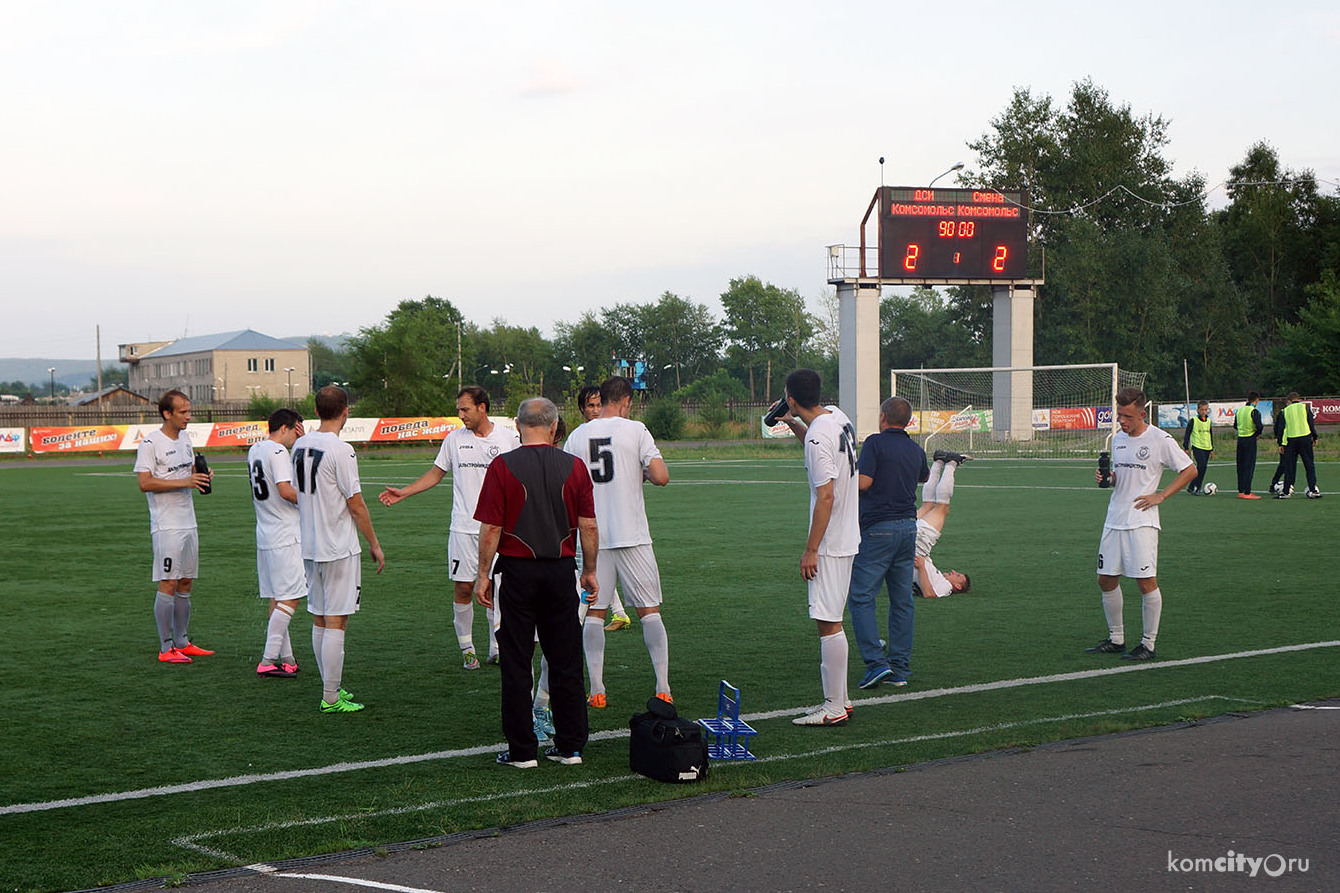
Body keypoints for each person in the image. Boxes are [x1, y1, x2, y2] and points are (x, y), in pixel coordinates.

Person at [475, 397, 597, 768]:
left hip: (516, 572)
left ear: (517, 425)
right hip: (561, 571)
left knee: (516, 661)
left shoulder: (502, 465)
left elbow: (491, 527)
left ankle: (522, 751)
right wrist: (589, 569)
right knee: (566, 660)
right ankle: (570, 745)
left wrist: (483, 574)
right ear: (556, 425)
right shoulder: (574, 466)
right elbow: (588, 526)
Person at [379, 386, 519, 669]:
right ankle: (467, 647)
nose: (460, 415)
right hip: (463, 528)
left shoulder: (509, 439)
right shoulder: (454, 439)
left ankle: (496, 646)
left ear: (482, 407)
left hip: (499, 530)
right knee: (464, 588)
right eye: (458, 410)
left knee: (497, 590)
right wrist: (403, 492)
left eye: (465, 409)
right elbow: (435, 474)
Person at [564, 376, 673, 708]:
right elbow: (661, 476)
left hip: (592, 537)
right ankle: (662, 687)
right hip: (632, 535)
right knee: (648, 611)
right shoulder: (636, 429)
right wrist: (638, 472)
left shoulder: (577, 435)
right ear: (625, 400)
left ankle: (596, 688)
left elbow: (566, 484)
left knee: (594, 613)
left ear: (603, 400)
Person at [1085, 387, 1197, 661]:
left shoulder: (1160, 439)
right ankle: (1117, 639)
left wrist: (1160, 495)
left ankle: (1148, 644)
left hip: (1141, 522)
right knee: (1105, 579)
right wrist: (1108, 478)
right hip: (1114, 518)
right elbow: (1121, 478)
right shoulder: (1118, 440)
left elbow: (1190, 469)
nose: (1123, 422)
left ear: (1142, 413)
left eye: (1128, 417)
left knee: (1145, 582)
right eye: (1120, 416)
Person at [294, 386, 386, 713]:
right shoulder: (342, 449)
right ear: (345, 411)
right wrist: (374, 543)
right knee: (336, 620)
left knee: (320, 617)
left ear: (317, 410)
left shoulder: (300, 443)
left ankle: (329, 688)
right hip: (337, 545)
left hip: (309, 542)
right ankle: (331, 696)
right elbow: (356, 503)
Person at [777, 369, 859, 726]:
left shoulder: (817, 439)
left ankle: (833, 707)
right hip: (847, 535)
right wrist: (793, 423)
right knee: (831, 619)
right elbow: (820, 442)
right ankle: (841, 699)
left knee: (828, 621)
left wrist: (811, 549)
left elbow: (826, 494)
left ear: (791, 398)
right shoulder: (837, 416)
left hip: (831, 542)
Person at [846, 396, 927, 691]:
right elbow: (923, 477)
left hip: (879, 527)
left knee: (861, 596)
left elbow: (864, 482)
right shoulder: (916, 449)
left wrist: (839, 486)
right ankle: (900, 668)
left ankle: (875, 663)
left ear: (883, 417)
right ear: (907, 422)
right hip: (908, 527)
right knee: (902, 600)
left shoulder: (875, 444)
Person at [135, 389, 214, 664]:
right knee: (168, 581)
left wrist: (200, 474)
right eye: (183, 412)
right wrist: (185, 482)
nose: (188, 417)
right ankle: (165, 646)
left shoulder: (185, 438)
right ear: (167, 413)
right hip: (166, 525)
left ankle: (182, 641)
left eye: (189, 411)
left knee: (186, 581)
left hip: (188, 521)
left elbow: (187, 472)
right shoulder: (150, 443)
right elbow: (144, 483)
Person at [247, 408, 306, 677]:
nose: (298, 436)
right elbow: (285, 490)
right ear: (286, 427)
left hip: (266, 531)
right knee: (291, 598)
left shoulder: (255, 449)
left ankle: (287, 658)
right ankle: (269, 659)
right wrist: (314, 501)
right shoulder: (279, 452)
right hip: (285, 533)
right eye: (297, 429)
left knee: (278, 597)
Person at [577, 385, 633, 633]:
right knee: (594, 570)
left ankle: (575, 622)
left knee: (587, 570)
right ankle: (620, 613)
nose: (596, 410)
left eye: (599, 404)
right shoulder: (579, 436)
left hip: (606, 517)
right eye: (590, 405)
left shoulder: (619, 432)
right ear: (581, 409)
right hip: (588, 515)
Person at [912, 452, 973, 600]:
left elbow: (929, 594)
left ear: (957, 586)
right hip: (910, 544)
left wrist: (921, 568)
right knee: (928, 505)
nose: (953, 571)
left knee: (942, 508)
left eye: (957, 576)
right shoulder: (940, 579)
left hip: (917, 545)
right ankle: (939, 461)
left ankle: (952, 462)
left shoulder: (947, 587)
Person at [1278, 391, 1322, 499]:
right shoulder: (1305, 408)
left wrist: (1280, 443)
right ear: (1299, 399)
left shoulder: (1285, 411)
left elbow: (1282, 429)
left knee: (1290, 466)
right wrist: (1315, 437)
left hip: (1291, 440)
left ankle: (1286, 491)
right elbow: (1310, 423)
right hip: (1305, 438)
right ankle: (1312, 490)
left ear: (1290, 401)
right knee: (1309, 465)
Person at [1234, 391, 1264, 499]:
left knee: (1240, 466)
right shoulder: (1254, 411)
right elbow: (1259, 426)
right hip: (1250, 440)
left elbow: (1235, 426)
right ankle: (1247, 492)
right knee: (1249, 466)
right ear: (1256, 400)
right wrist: (1256, 434)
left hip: (1240, 439)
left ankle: (1241, 491)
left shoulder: (1239, 411)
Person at [1181, 400, 1214, 495]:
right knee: (1201, 465)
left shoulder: (1208, 421)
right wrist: (1186, 447)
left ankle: (1193, 486)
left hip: (1207, 447)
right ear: (1198, 410)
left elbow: (1210, 435)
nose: (1204, 412)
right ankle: (1197, 487)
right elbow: (1187, 434)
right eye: (1202, 409)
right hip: (1197, 447)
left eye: (1206, 410)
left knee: (1203, 468)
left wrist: (1212, 449)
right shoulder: (1193, 421)